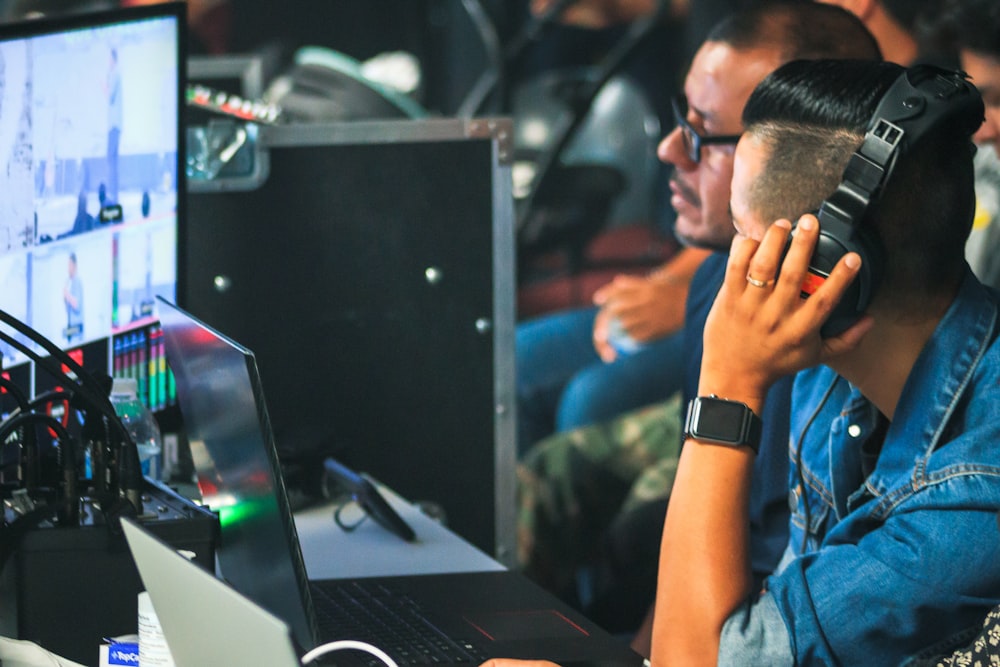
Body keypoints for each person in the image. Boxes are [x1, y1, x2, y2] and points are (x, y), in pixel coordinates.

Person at [515, 0, 882, 646]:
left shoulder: (814, 335)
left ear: (794, 159)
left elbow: (756, 575)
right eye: (678, 119)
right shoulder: (716, 275)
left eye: (703, 135)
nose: (667, 151)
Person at [649, 58, 997, 665]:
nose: (732, 265)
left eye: (742, 233)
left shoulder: (977, 494)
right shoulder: (832, 372)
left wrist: (727, 383)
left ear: (821, 271)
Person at [64, 252, 84, 344]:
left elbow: (77, 305)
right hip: (70, 327)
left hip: (77, 330)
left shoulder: (77, 282)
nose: (68, 268)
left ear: (74, 265)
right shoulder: (69, 282)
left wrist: (67, 294)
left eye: (69, 265)